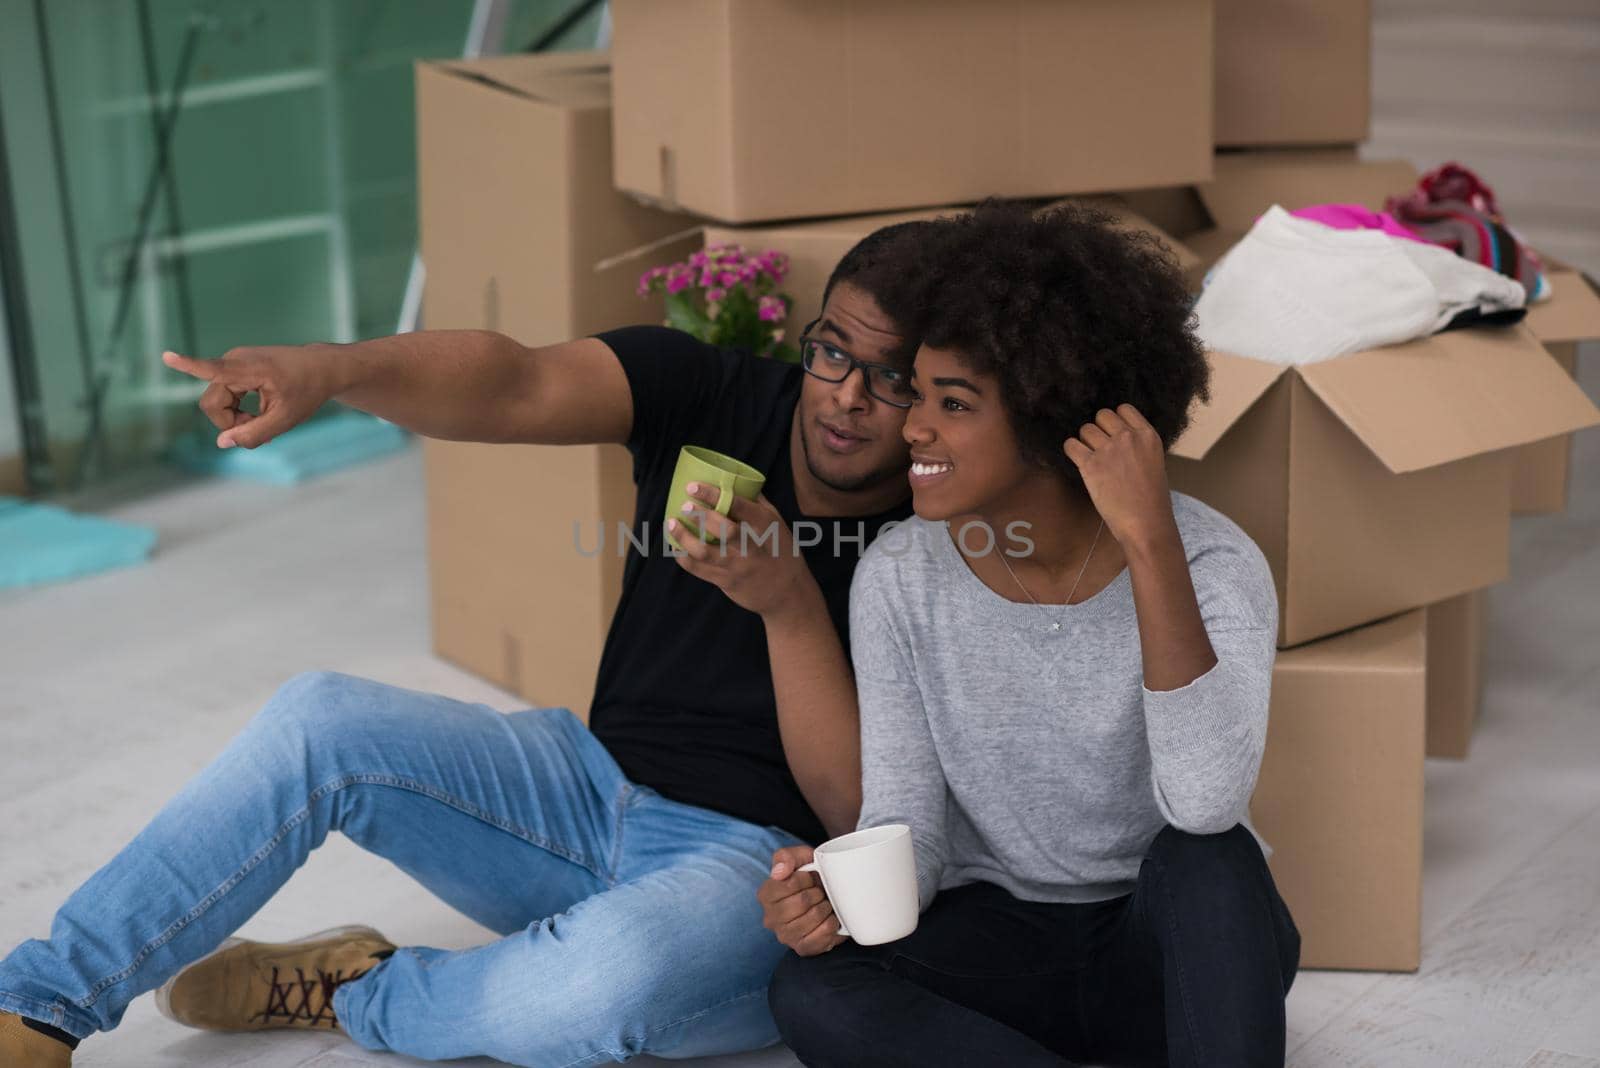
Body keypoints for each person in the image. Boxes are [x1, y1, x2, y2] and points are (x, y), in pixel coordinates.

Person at [0, 221, 943, 1068]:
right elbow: (512, 379)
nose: (847, 397)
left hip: (762, 872)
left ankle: (356, 990)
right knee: (322, 718)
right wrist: (332, 372)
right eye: (831, 353)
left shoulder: (946, 529)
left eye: (891, 378)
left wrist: (785, 601)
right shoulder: (718, 391)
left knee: (608, 982)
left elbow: (858, 811)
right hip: (584, 782)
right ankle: (39, 1009)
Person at [758, 203, 1301, 1067]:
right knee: (811, 988)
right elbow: (909, 822)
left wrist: (1149, 539)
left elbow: (1202, 806)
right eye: (920, 395)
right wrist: (836, 898)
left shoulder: (1210, 562)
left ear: (1055, 421)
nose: (914, 429)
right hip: (1000, 953)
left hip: (1165, 950)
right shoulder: (900, 576)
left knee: (1214, 862)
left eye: (954, 403)